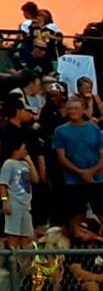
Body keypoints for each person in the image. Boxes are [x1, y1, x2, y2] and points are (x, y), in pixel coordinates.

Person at [52, 97, 103, 226]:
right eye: (70, 108)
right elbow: (62, 158)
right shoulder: (60, 131)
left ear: (83, 110)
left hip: (96, 178)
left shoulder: (94, 129)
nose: (73, 111)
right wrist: (80, 172)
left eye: (76, 108)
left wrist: (92, 171)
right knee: (75, 216)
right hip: (73, 181)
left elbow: (102, 154)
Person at [0, 134, 38, 249]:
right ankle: (13, 258)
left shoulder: (25, 164)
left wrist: (30, 163)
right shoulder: (8, 164)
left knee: (27, 234)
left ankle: (24, 261)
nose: (26, 151)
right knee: (13, 233)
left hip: (26, 204)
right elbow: (3, 184)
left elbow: (35, 179)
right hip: (14, 202)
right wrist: (5, 201)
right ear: (16, 150)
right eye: (24, 149)